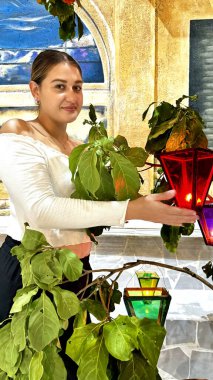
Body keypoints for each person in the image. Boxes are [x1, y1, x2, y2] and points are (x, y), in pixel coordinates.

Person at [0, 49, 198, 378]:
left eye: (77, 87)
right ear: (36, 90)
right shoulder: (17, 131)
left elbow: (97, 208)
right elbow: (40, 209)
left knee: (76, 368)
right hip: (29, 274)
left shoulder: (82, 149)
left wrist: (155, 195)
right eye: (59, 86)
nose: (71, 95)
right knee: (26, 370)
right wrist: (133, 210)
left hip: (80, 274)